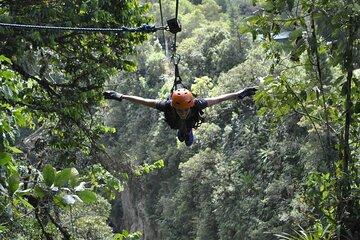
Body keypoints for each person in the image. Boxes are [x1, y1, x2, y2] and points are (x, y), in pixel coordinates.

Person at [103, 86, 257, 146]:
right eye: (180, 110)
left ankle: (187, 133)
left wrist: (239, 94)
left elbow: (219, 98)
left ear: (191, 105)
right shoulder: (167, 106)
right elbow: (143, 101)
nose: (183, 112)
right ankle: (184, 133)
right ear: (174, 107)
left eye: (185, 110)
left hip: (189, 125)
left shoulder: (197, 104)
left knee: (187, 140)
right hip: (177, 125)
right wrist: (121, 96)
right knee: (181, 136)